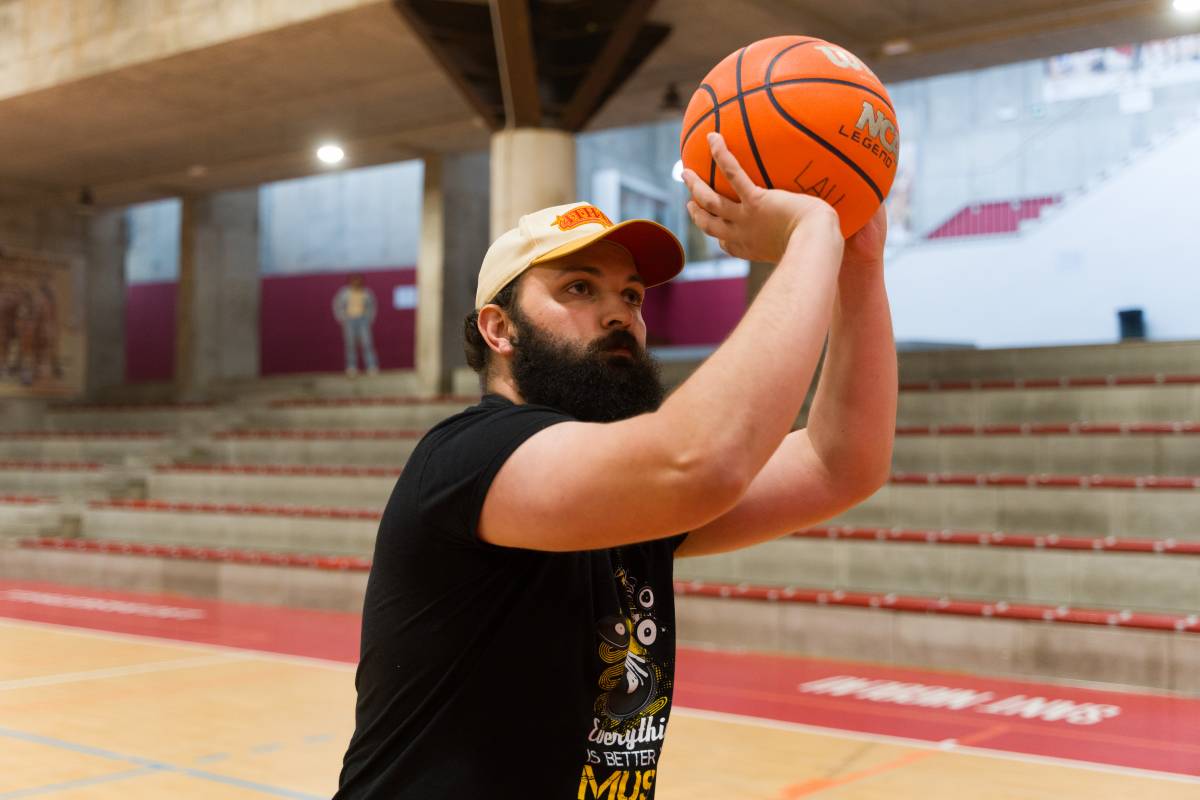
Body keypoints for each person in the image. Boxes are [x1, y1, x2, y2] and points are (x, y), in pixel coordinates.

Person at [334, 132, 897, 799]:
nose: (619, 313)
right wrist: (810, 234)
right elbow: (701, 460)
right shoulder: (470, 456)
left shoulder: (622, 494)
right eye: (579, 288)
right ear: (499, 329)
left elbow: (841, 465)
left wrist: (859, 263)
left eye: (631, 296)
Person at [332, 274, 379, 376]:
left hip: (363, 320)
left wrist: (369, 319)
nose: (356, 282)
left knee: (367, 343)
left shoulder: (366, 293)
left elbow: (372, 306)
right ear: (350, 281)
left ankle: (371, 366)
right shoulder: (344, 293)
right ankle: (351, 367)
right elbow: (337, 304)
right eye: (354, 280)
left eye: (358, 280)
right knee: (350, 344)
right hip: (349, 320)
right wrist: (341, 317)